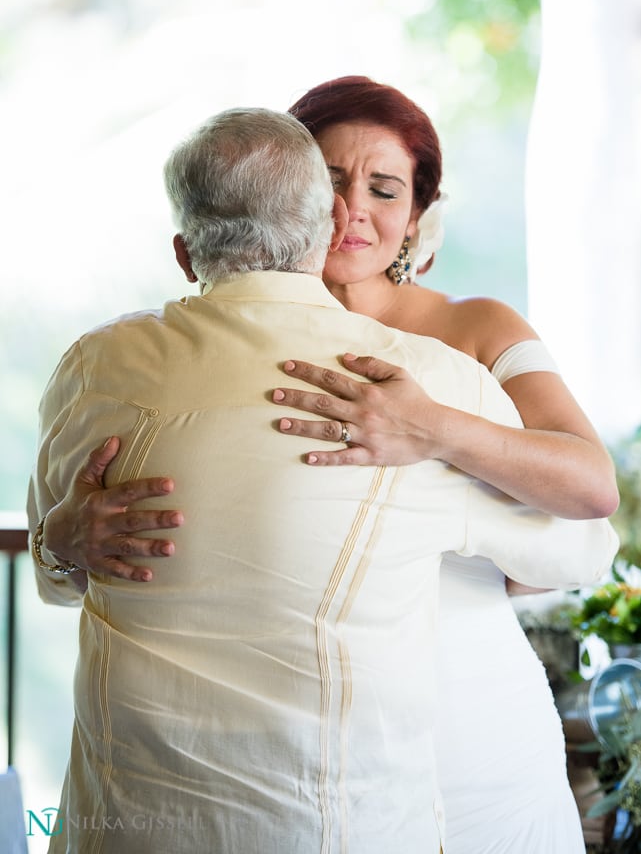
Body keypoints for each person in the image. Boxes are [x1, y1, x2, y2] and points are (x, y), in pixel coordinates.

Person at [28, 106, 617, 854]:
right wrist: (60, 538)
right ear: (313, 211)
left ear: (417, 215)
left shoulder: (458, 354)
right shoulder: (135, 361)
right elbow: (576, 545)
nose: (356, 211)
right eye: (337, 182)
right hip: (334, 780)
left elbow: (587, 508)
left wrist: (433, 438)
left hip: (450, 714)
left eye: (383, 188)